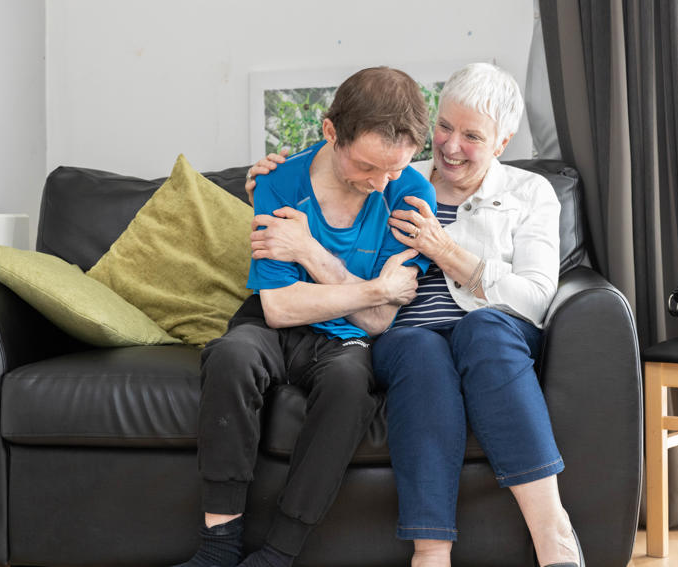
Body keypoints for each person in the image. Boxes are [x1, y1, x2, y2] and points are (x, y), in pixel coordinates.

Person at [245, 62, 584, 567]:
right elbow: (325, 188)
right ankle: (431, 553)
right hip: (406, 335)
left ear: (502, 141)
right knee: (419, 348)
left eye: (472, 135)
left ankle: (553, 535)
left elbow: (536, 299)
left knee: (484, 330)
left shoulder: (529, 193)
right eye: (445, 127)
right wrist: (269, 180)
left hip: (495, 335)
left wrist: (449, 253)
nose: (449, 146)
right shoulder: (396, 173)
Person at [176, 66, 435, 567]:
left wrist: (310, 251)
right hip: (275, 323)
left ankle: (276, 555)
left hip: (344, 340)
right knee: (230, 355)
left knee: (347, 387)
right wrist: (370, 287)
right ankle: (218, 547)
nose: (381, 182)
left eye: (396, 168)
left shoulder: (410, 198)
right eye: (367, 166)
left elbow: (378, 320)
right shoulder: (278, 181)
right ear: (331, 131)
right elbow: (278, 306)